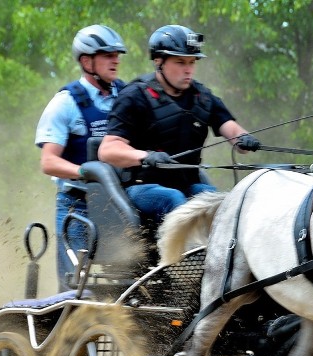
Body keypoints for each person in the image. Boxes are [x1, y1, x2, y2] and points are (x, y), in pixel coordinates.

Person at [98, 24, 260, 226]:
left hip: (188, 186)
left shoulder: (203, 97)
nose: (188, 69)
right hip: (141, 188)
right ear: (159, 62)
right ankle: (184, 258)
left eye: (192, 62)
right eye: (180, 62)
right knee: (174, 200)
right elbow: (108, 150)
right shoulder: (134, 96)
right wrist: (145, 156)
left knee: (220, 203)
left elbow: (232, 130)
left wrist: (244, 139)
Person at [35, 24, 127, 290]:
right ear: (87, 61)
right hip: (78, 206)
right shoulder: (65, 103)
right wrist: (87, 172)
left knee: (132, 286)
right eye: (108, 55)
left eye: (117, 55)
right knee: (75, 289)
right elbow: (48, 162)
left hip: (119, 204)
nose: (116, 60)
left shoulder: (127, 95)